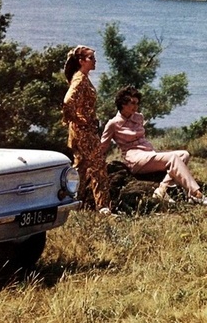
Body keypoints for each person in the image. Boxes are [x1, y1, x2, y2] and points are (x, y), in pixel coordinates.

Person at [100, 86, 206, 204]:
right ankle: (195, 193)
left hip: (149, 153)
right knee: (173, 158)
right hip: (135, 159)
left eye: (137, 103)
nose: (136, 106)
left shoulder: (139, 117)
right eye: (133, 103)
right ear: (122, 104)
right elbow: (103, 147)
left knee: (184, 154)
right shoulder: (113, 124)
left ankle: (162, 189)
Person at [62, 45, 113, 215]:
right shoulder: (80, 79)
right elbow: (68, 102)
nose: (95, 61)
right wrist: (77, 119)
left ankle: (71, 202)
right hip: (84, 132)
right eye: (91, 58)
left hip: (81, 131)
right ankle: (103, 207)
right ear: (81, 61)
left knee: (81, 167)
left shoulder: (82, 77)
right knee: (99, 167)